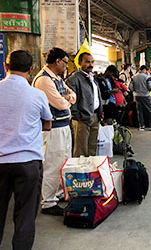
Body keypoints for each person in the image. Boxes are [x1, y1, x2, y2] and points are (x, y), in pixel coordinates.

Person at [0, 50, 52, 250]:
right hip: (28, 163)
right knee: (25, 215)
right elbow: (47, 124)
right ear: (31, 70)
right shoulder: (37, 94)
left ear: (6, 67)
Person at [32, 47, 76, 216]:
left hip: (63, 126)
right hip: (53, 129)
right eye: (65, 62)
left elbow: (73, 95)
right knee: (52, 164)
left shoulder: (56, 78)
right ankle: (48, 202)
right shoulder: (44, 80)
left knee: (63, 162)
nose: (66, 66)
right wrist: (66, 99)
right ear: (57, 61)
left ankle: (58, 194)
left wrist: (66, 98)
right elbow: (60, 104)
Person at [66, 53, 103, 157]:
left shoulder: (93, 78)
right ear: (79, 63)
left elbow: (96, 96)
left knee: (92, 147)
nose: (90, 64)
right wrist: (77, 116)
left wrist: (100, 112)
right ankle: (80, 171)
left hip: (95, 116)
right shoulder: (74, 79)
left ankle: (90, 171)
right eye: (87, 62)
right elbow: (72, 101)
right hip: (82, 119)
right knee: (81, 149)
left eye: (92, 62)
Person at [129, 65, 151, 131]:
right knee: (149, 110)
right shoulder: (147, 77)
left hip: (137, 96)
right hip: (146, 95)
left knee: (140, 111)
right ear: (145, 70)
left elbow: (130, 87)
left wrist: (135, 90)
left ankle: (141, 125)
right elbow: (150, 87)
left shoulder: (134, 77)